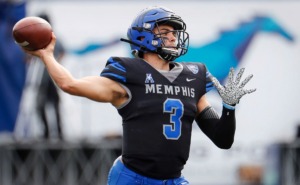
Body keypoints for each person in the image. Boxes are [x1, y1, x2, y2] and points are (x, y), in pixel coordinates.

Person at [21, 6, 256, 185]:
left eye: (174, 32)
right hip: (133, 178)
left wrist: (229, 107)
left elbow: (223, 140)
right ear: (143, 37)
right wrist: (47, 56)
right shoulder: (128, 75)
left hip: (174, 179)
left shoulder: (193, 77)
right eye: (165, 31)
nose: (173, 37)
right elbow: (69, 84)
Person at [35, 12, 65, 140]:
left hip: (52, 78)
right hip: (43, 78)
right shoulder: (38, 39)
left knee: (54, 104)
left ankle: (58, 133)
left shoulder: (53, 38)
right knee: (41, 105)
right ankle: (48, 132)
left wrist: (53, 63)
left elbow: (63, 52)